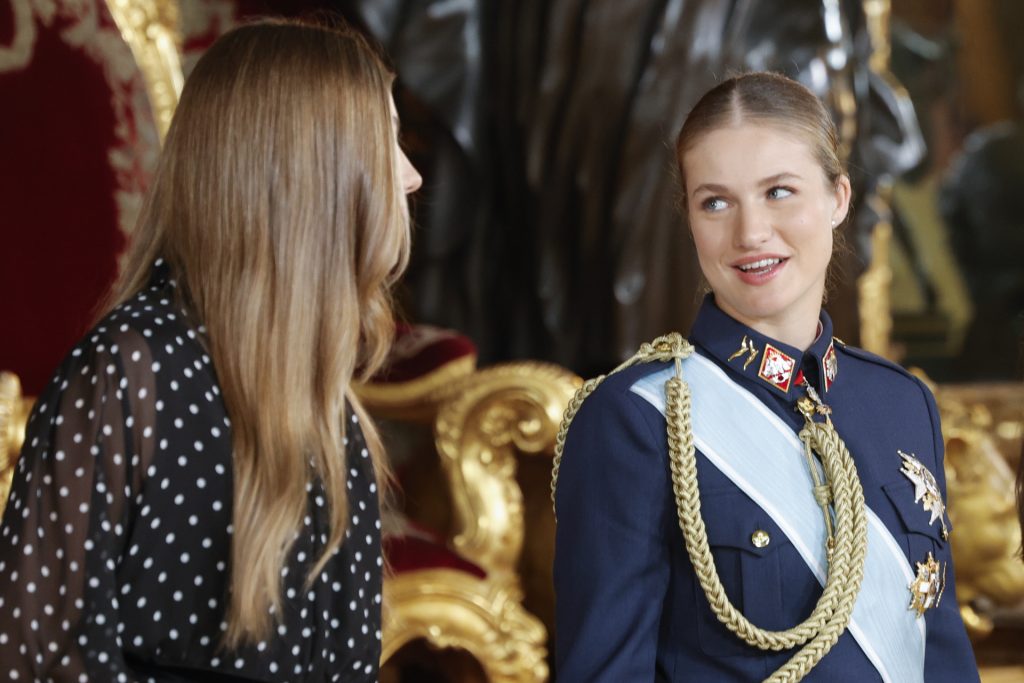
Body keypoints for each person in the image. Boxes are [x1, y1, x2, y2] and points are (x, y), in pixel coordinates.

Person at [0, 18, 422, 682]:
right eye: (387, 142)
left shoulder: (333, 414)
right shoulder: (125, 375)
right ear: (312, 176)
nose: (411, 176)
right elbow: (43, 656)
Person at [552, 72, 977, 682]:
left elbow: (942, 658)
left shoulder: (902, 403)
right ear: (690, 219)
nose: (749, 232)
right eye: (715, 202)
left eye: (779, 191)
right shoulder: (636, 416)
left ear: (839, 198)